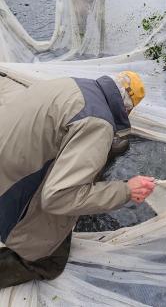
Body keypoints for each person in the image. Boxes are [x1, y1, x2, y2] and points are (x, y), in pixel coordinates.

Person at [0, 70, 155, 288]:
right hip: (8, 188)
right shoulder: (98, 124)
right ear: (128, 109)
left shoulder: (72, 84)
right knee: (50, 261)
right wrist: (126, 190)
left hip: (9, 154)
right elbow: (57, 197)